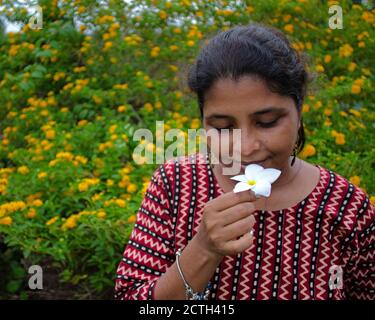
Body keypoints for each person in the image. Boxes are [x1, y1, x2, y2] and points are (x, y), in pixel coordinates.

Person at [114, 23, 375, 300]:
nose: (246, 148)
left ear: (299, 111)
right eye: (224, 128)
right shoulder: (177, 184)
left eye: (267, 122)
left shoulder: (346, 207)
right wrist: (203, 249)